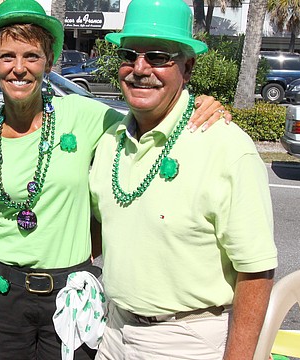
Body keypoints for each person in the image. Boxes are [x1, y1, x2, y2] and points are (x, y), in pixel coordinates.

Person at [0, 0, 231, 359]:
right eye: (7, 57)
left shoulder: (83, 115)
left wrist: (197, 103)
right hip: (3, 294)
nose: (19, 68)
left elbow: (151, 119)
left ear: (49, 62)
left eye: (32, 56)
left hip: (72, 295)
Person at [88, 0, 278, 358]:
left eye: (159, 57)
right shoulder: (110, 139)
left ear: (187, 68)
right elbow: (100, 227)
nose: (140, 69)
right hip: (111, 332)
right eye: (129, 55)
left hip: (185, 341)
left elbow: (255, 271)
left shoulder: (225, 147)